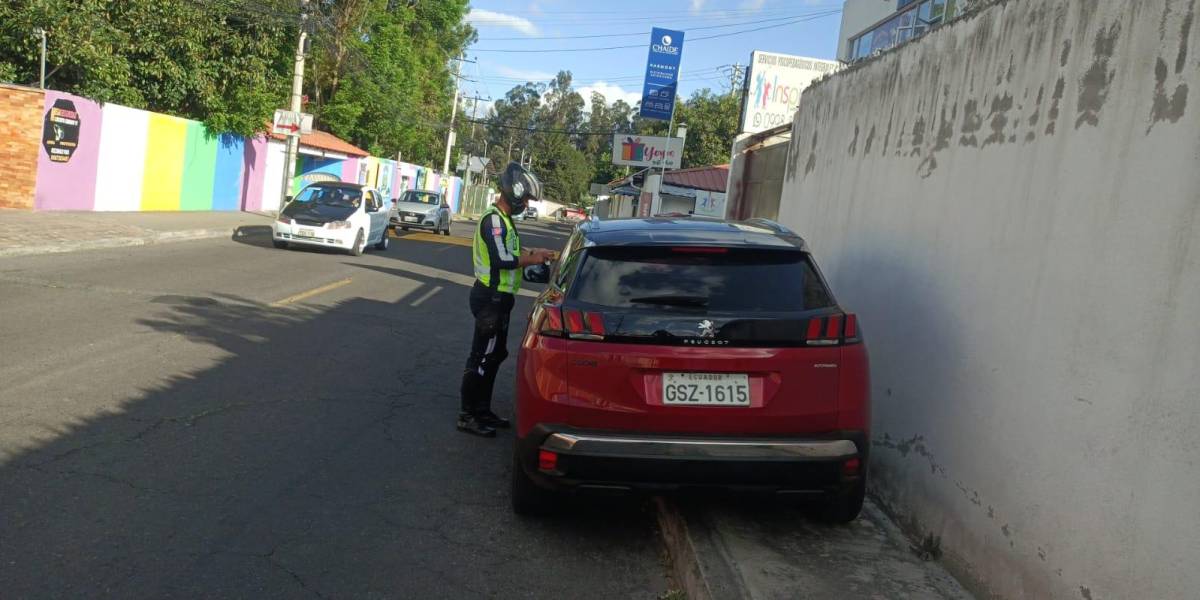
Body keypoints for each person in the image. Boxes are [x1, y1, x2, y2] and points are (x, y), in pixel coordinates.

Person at [458, 162, 556, 437]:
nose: (526, 203)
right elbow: (503, 259)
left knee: (495, 355)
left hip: (501, 299)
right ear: (514, 192)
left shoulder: (505, 222)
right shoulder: (493, 220)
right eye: (525, 197)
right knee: (481, 357)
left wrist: (536, 251)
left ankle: (482, 409)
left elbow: (512, 250)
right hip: (490, 299)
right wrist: (532, 258)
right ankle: (468, 415)